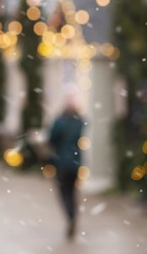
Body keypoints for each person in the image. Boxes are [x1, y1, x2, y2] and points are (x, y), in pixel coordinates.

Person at [48, 86, 87, 240]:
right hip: (75, 162)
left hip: (62, 162)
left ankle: (70, 216)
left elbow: (52, 138)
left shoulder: (60, 121)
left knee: (64, 193)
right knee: (72, 192)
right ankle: (73, 217)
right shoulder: (79, 121)